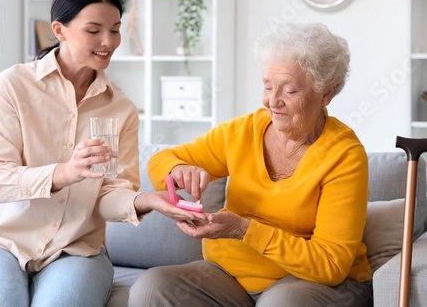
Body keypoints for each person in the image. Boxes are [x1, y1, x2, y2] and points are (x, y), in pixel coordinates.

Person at [0, 0, 205, 307]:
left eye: (115, 30)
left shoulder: (121, 108)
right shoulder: (13, 87)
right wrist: (66, 172)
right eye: (94, 30)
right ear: (60, 30)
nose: (108, 42)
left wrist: (146, 200)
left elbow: (109, 196)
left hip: (76, 249)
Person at [129, 22, 374, 307]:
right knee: (152, 286)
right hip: (231, 277)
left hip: (310, 283)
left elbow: (330, 265)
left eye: (290, 91)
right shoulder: (243, 131)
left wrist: (244, 230)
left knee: (282, 302)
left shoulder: (344, 155)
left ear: (326, 94)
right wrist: (176, 170)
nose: (273, 101)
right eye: (268, 86)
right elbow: (161, 160)